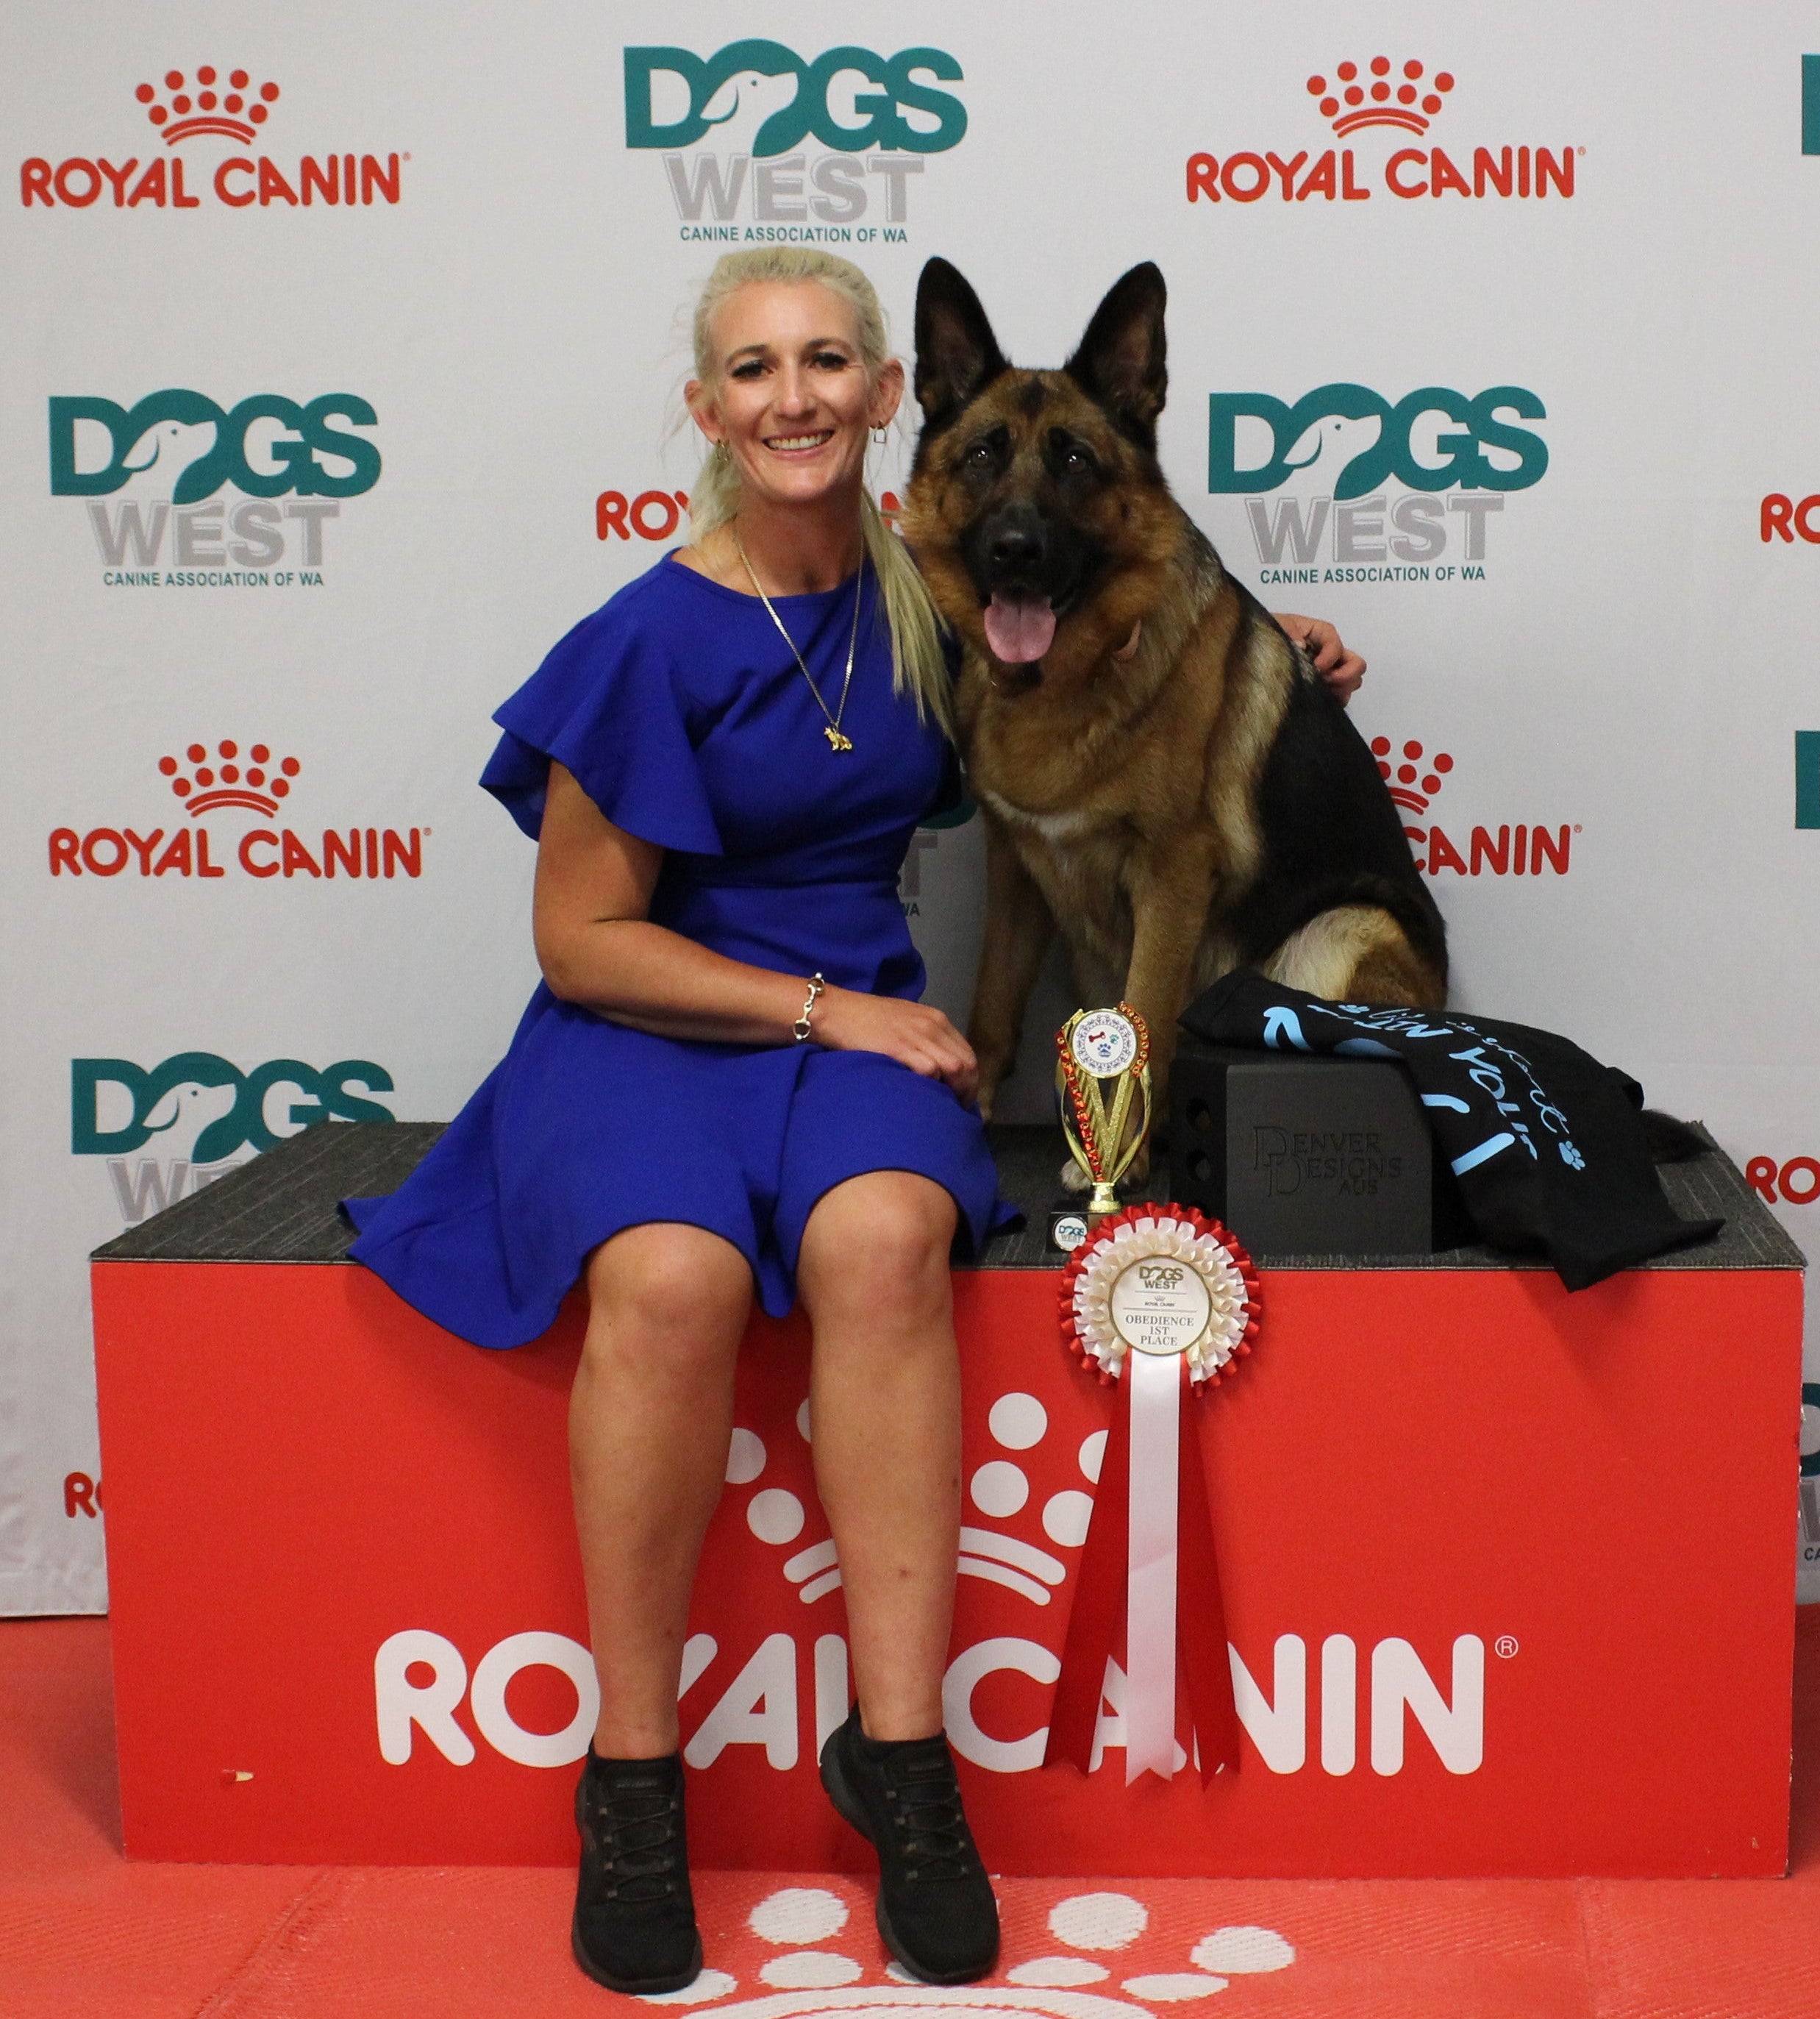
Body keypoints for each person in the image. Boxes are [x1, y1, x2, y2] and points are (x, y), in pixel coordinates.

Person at [345, 246, 1365, 1998]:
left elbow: (1122, 648)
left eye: (829, 360)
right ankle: (634, 1778)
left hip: (854, 1029)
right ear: (707, 411)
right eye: (753, 369)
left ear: (891, 401)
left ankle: (905, 1767)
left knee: (887, 1243)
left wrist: (1273, 652)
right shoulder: (644, 638)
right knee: (666, 1279)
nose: (794, 395)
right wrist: (827, 1009)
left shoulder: (939, 590)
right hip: (655, 1023)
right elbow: (581, 940)